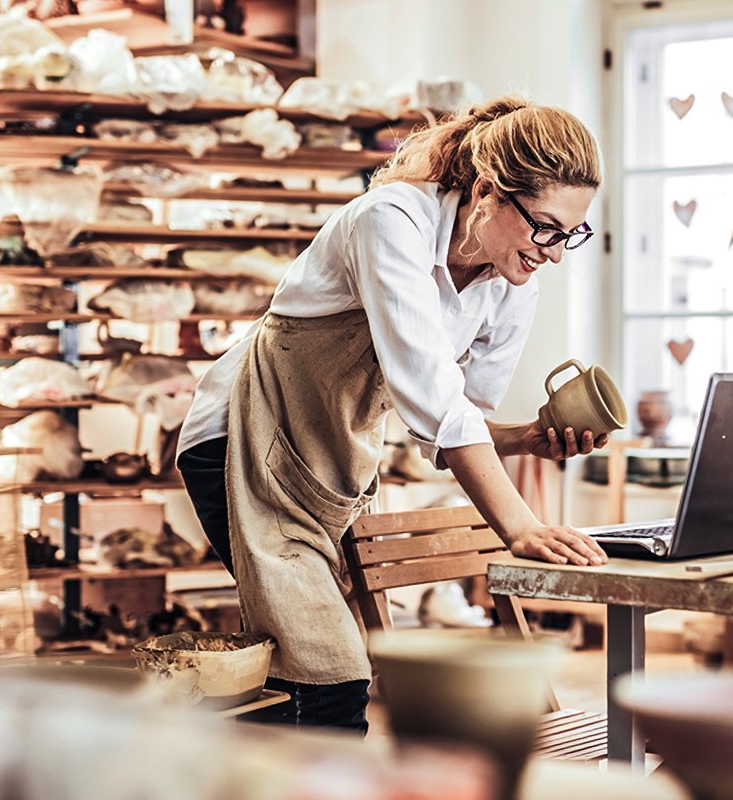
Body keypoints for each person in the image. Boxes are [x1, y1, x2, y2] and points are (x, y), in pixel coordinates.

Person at [175, 95, 609, 734]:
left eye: (570, 233)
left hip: (325, 472)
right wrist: (518, 524)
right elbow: (433, 399)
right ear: (487, 191)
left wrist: (529, 439)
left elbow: (455, 420)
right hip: (240, 444)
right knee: (326, 669)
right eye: (544, 226)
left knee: (303, 666)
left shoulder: (512, 288)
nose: (554, 251)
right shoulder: (390, 221)